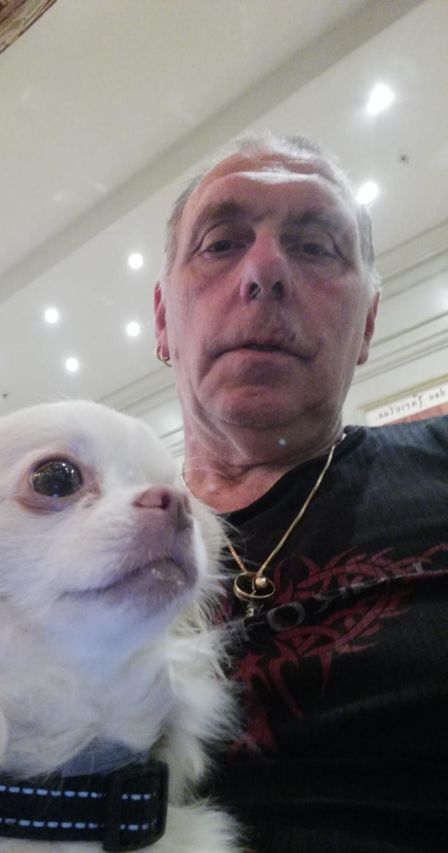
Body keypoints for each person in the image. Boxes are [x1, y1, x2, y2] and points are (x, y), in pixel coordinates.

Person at [153, 132, 448, 853]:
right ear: (162, 321)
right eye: (221, 244)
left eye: (316, 247)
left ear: (368, 324)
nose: (264, 272)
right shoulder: (74, 534)